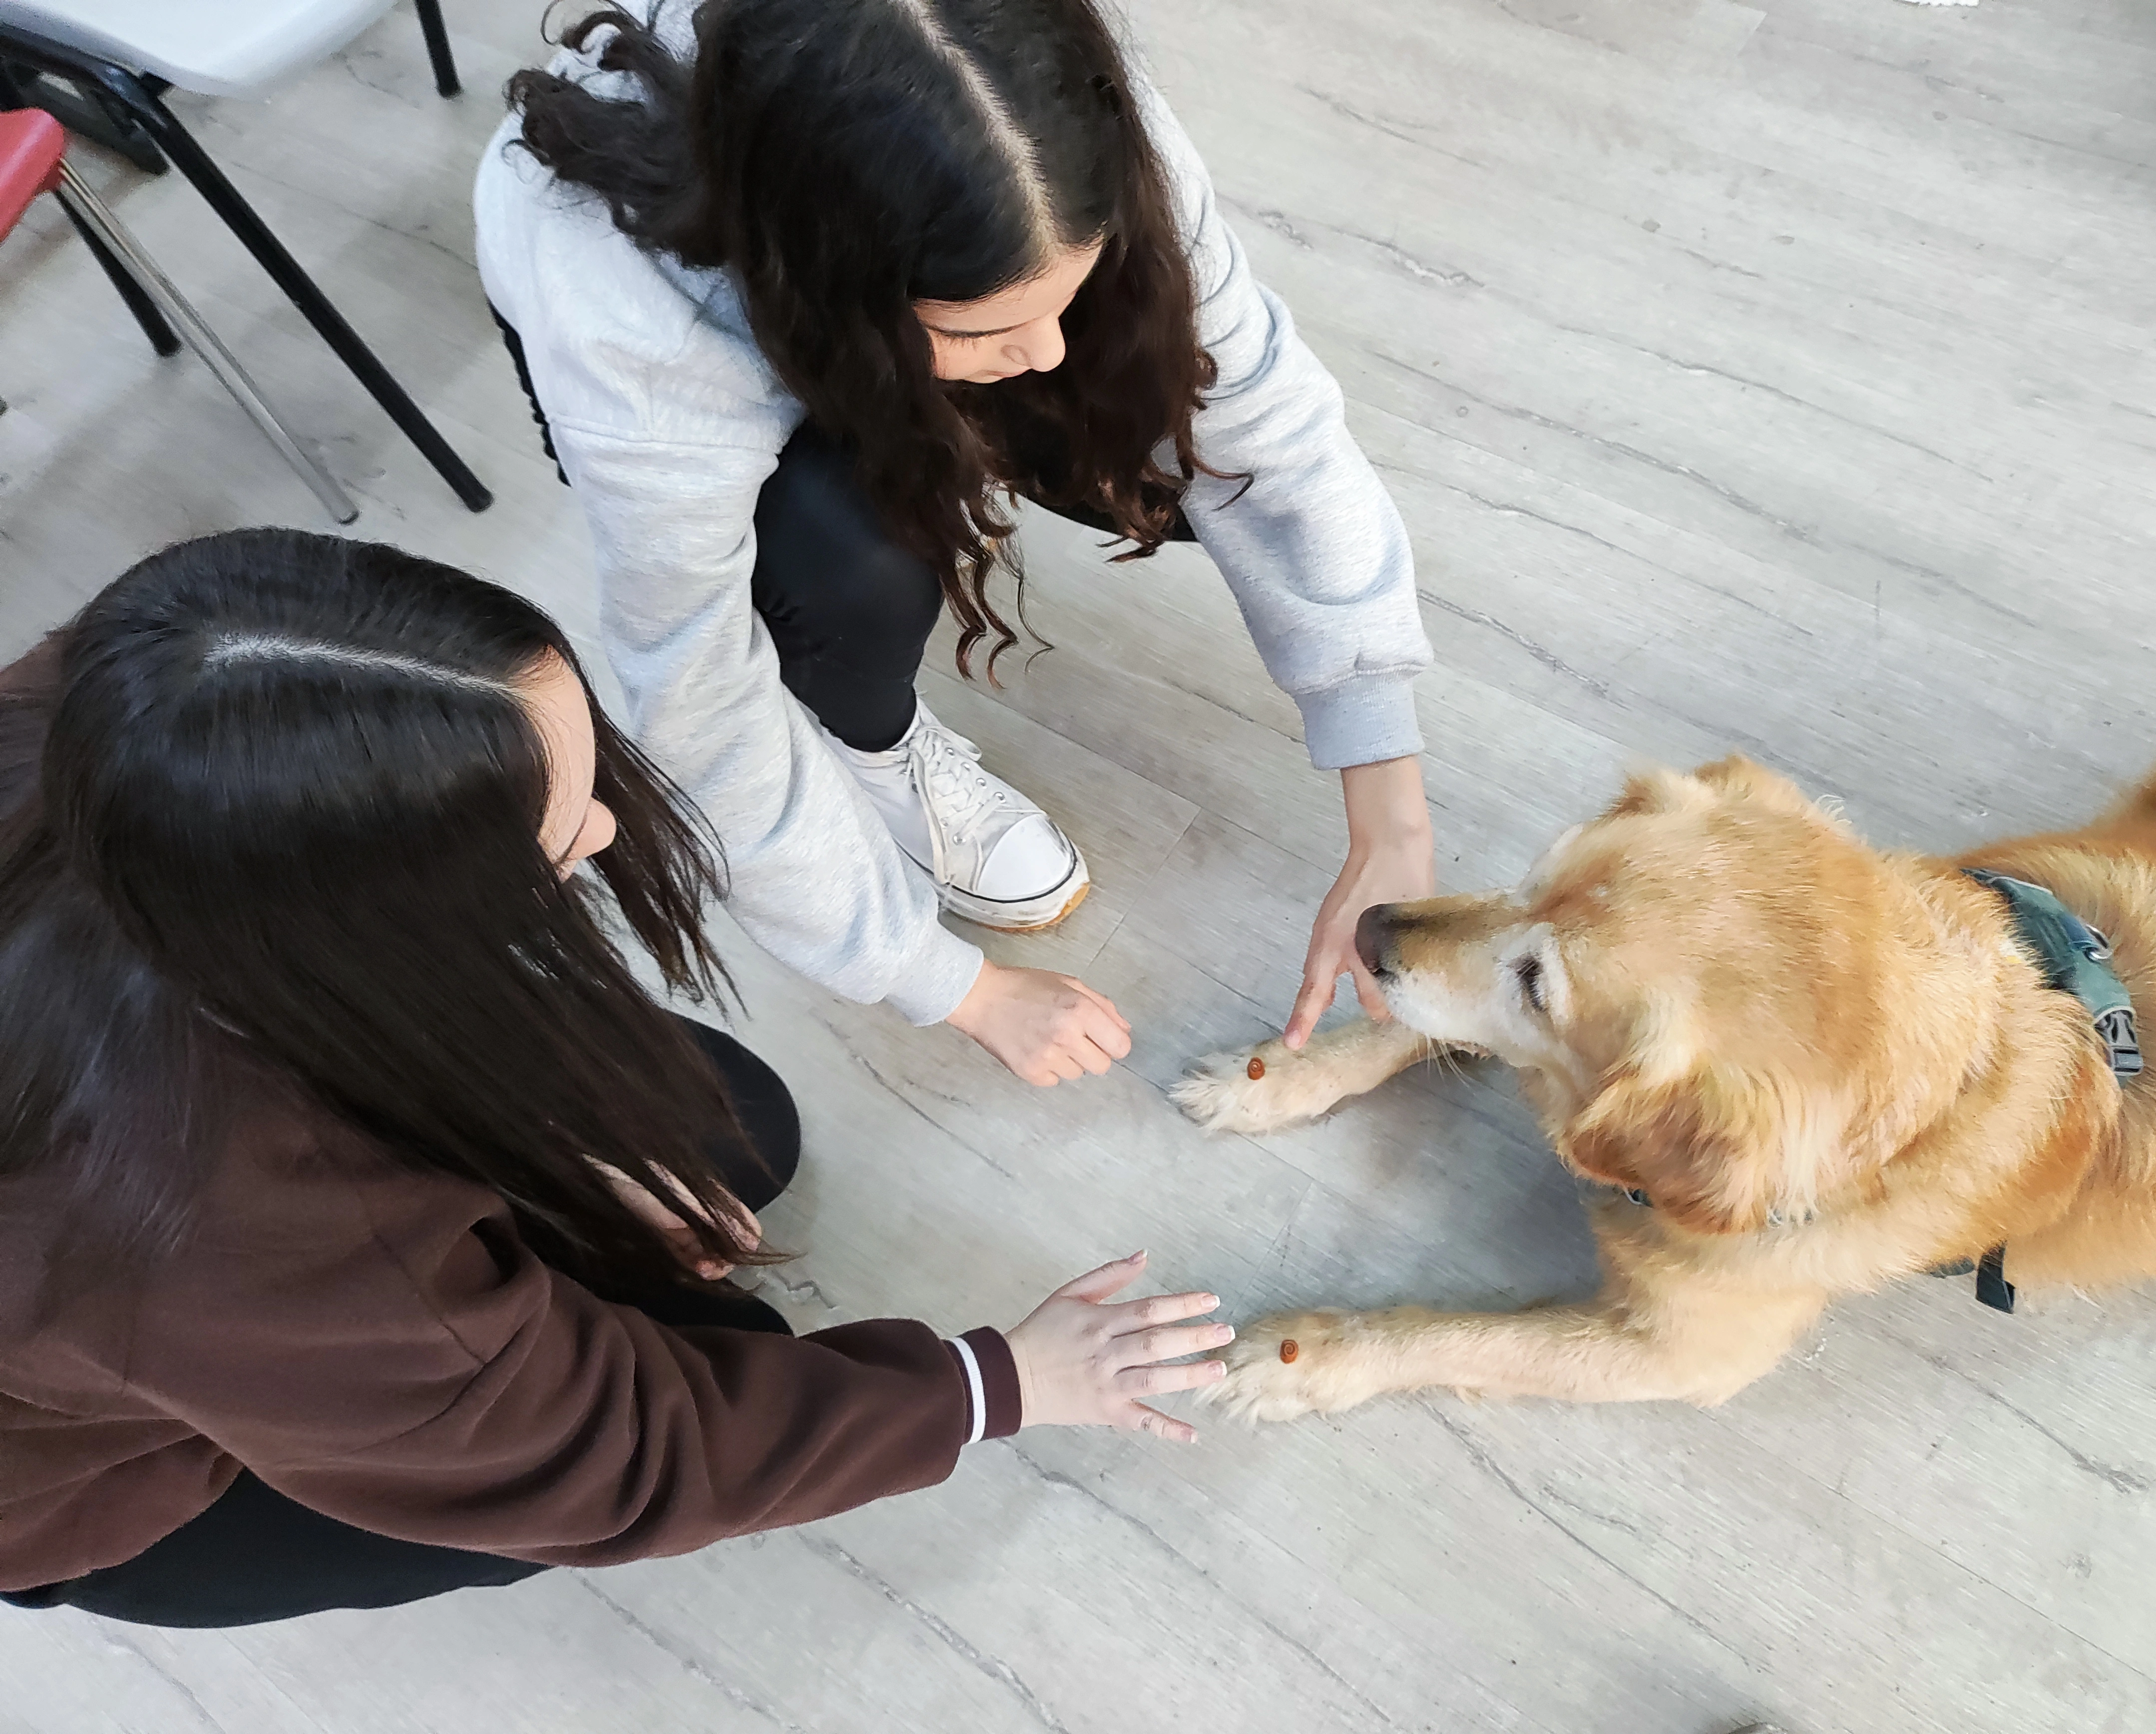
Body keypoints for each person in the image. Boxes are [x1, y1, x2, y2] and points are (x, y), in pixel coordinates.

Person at [0, 529, 1229, 1629]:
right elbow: (624, 1459)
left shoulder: (128, 695)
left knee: (730, 1129)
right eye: (547, 840)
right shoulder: (217, 1220)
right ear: (368, 926)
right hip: (90, 1478)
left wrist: (562, 1149)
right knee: (717, 1336)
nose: (599, 832)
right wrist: (998, 1378)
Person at [473, 0, 1437, 1089]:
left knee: (1155, 410)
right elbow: (697, 698)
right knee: (844, 555)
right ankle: (872, 741)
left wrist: (1387, 808)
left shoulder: (1035, 116)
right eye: (981, 330)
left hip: (866, 300)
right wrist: (950, 984)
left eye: (1073, 284)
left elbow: (1266, 421)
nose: (1045, 352)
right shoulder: (638, 340)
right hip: (682, 306)